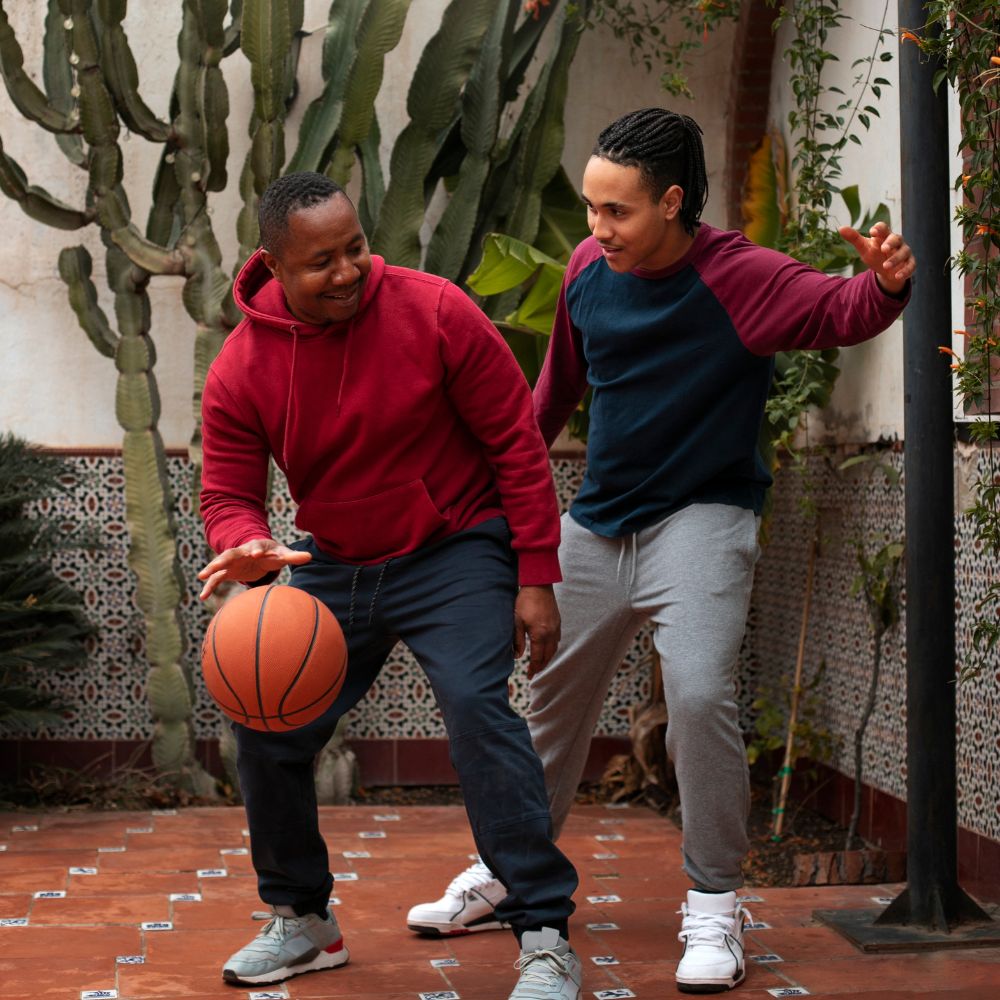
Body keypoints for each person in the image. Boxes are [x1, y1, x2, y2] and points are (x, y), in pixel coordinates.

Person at [406, 107, 915, 994]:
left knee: (701, 690)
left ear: (673, 203)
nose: (596, 228)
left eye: (617, 212)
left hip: (704, 516)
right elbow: (553, 394)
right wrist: (497, 502)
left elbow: (841, 308)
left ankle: (715, 901)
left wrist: (887, 285)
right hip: (601, 521)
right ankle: (509, 869)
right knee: (548, 699)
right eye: (593, 208)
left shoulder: (742, 277)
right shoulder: (586, 272)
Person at [197, 171, 581, 998]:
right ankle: (303, 920)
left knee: (478, 709)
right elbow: (227, 494)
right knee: (265, 725)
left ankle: (544, 932)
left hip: (455, 547)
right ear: (272, 263)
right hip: (331, 557)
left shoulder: (435, 310)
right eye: (321, 261)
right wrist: (247, 545)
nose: (347, 272)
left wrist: (535, 575)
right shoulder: (241, 367)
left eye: (356, 248)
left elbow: (515, 443)